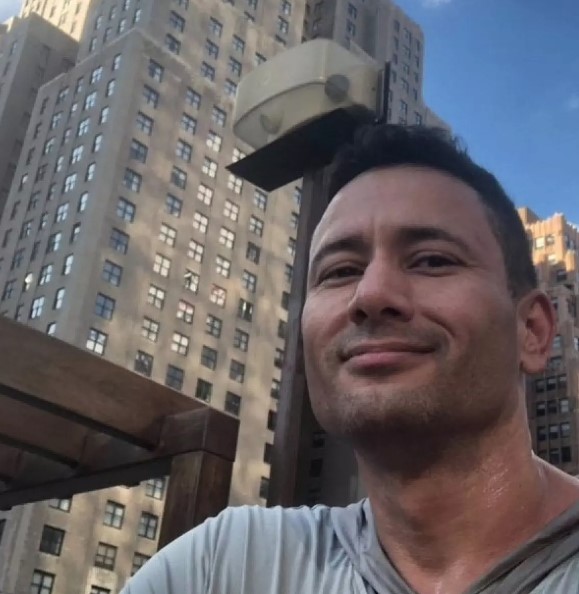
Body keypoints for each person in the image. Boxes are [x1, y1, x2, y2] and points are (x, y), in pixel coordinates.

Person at [121, 124, 579, 594]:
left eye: (432, 260)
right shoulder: (222, 567)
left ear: (532, 331)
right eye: (340, 271)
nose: (371, 294)